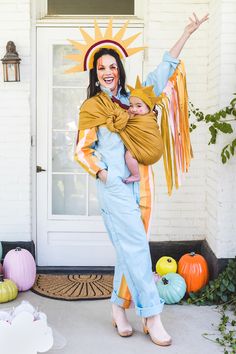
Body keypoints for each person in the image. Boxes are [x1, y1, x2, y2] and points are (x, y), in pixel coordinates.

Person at [74, 13, 209, 346]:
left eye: (112, 66)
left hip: (143, 186)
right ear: (95, 72)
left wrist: (186, 32)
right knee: (135, 247)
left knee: (128, 249)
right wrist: (104, 174)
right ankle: (151, 314)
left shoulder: (136, 98)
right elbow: (81, 151)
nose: (107, 72)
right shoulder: (92, 108)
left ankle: (119, 308)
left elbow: (165, 69)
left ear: (119, 69)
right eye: (101, 67)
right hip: (116, 187)